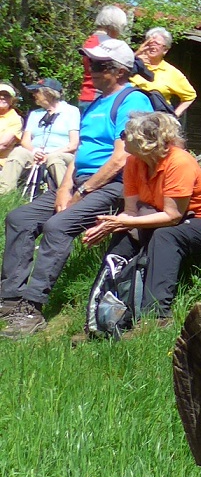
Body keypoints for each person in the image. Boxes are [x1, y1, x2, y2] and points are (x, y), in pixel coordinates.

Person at [0, 39, 153, 336]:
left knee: (57, 227)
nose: (91, 70)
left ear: (120, 71)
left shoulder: (133, 101)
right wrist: (64, 190)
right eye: (90, 63)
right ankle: (10, 299)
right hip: (81, 184)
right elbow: (80, 152)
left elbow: (121, 158)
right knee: (19, 218)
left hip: (115, 187)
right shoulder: (96, 103)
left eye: (99, 65)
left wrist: (82, 193)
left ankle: (33, 308)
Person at [80, 112, 201, 322]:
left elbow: (172, 217)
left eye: (124, 134)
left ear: (143, 142)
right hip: (177, 216)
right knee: (124, 234)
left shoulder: (179, 162)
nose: (120, 138)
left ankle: (155, 315)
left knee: (166, 236)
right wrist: (110, 225)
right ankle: (103, 307)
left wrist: (124, 221)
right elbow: (131, 212)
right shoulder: (133, 162)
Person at [1, 79, 80, 195]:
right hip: (35, 153)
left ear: (48, 93)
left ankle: (67, 196)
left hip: (61, 153)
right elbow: (25, 141)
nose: (34, 95)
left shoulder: (71, 111)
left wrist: (49, 154)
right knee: (18, 152)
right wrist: (35, 152)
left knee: (54, 159)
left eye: (36, 92)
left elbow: (73, 144)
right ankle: (4, 194)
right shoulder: (35, 114)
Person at [131, 28, 198, 118]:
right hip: (126, 115)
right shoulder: (133, 64)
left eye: (157, 44)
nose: (152, 46)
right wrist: (135, 57)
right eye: (149, 43)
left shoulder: (171, 72)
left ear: (165, 50)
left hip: (153, 120)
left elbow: (190, 96)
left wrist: (173, 117)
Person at [78, 5, 132, 106]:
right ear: (116, 25)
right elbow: (121, 64)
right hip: (97, 93)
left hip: (87, 93)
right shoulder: (105, 43)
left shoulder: (91, 40)